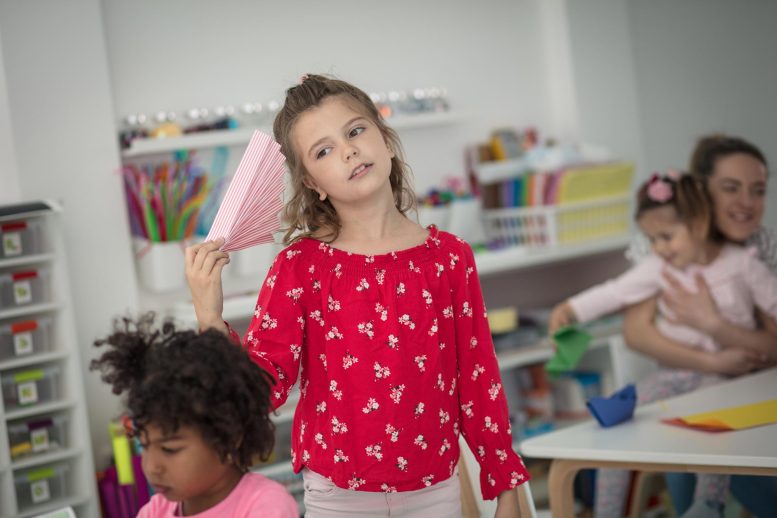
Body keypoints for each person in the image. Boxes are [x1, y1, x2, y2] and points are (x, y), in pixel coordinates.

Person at [185, 74, 530, 517]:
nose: (347, 150)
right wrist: (210, 317)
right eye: (323, 150)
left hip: (435, 492)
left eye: (355, 131)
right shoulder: (299, 267)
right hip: (337, 498)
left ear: (386, 140)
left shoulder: (449, 258)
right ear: (312, 183)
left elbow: (479, 381)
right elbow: (261, 390)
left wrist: (504, 482)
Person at [548, 170, 777, 518]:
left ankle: (707, 505)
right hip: (676, 375)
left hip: (726, 380)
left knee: (711, 429)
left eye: (666, 237)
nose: (658, 248)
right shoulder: (658, 267)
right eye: (652, 239)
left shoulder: (742, 265)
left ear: (699, 223)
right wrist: (570, 309)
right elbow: (615, 291)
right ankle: (607, 512)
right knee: (617, 419)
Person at [623, 135, 777, 518]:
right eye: (731, 189)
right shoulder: (663, 242)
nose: (747, 203)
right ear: (701, 195)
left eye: (758, 190)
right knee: (689, 443)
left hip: (754, 391)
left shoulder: (762, 245)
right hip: (687, 390)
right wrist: (711, 363)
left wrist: (713, 324)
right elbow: (636, 332)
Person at [90, 313, 298, 518]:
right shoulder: (154, 511)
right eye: (144, 446)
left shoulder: (266, 506)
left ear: (230, 438)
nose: (152, 467)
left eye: (169, 449)